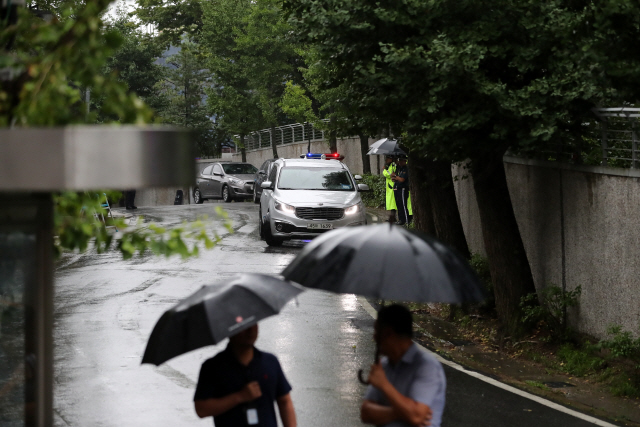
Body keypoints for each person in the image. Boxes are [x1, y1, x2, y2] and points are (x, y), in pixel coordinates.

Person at [193, 324, 297, 427]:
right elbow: (201, 409)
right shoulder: (212, 367)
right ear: (230, 329)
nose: (251, 330)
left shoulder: (270, 362)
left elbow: (285, 402)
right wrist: (240, 396)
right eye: (244, 326)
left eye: (254, 323)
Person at [361, 304, 446, 427]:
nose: (374, 337)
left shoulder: (427, 367)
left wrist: (384, 385)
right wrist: (401, 413)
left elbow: (416, 416)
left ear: (388, 333)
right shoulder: (384, 365)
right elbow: (366, 413)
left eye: (377, 332)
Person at [392, 157, 410, 225]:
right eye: (399, 161)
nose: (400, 162)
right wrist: (394, 178)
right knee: (399, 205)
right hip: (397, 188)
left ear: (405, 161)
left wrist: (396, 176)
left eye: (401, 161)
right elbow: (397, 178)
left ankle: (407, 220)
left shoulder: (406, 169)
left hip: (403, 189)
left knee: (403, 205)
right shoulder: (399, 168)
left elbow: (402, 179)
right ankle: (401, 220)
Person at [382, 156, 398, 223]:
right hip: (390, 187)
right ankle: (393, 218)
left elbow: (389, 174)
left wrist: (384, 170)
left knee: (393, 204)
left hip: (392, 186)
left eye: (387, 158)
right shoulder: (391, 165)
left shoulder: (393, 165)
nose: (386, 160)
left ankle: (394, 218)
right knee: (392, 205)